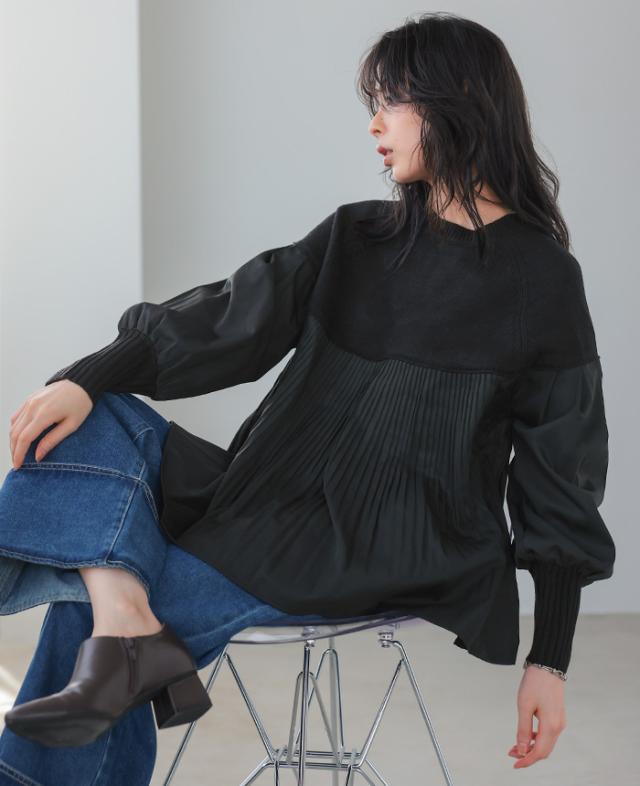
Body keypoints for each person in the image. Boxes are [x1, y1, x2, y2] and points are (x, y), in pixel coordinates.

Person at [0, 10, 615, 783]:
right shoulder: (359, 238)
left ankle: (122, 629)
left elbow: (561, 475)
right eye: (373, 105)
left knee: (83, 612)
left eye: (391, 102)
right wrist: (85, 377)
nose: (375, 126)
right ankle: (127, 623)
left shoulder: (542, 281)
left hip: (387, 540)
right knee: (88, 419)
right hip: (268, 497)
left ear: (457, 98)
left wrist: (549, 661)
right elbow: (230, 320)